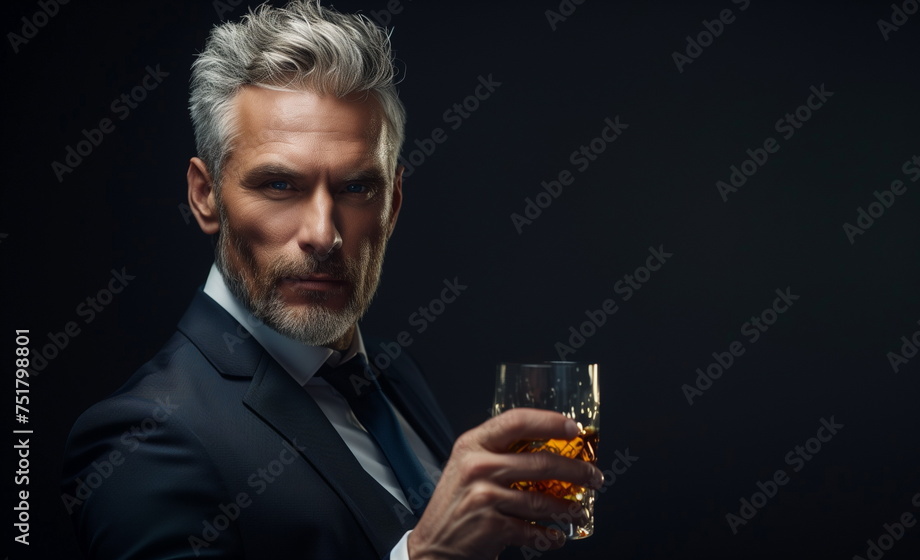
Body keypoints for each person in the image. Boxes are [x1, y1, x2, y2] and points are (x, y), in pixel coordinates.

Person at [60, 2, 603, 559]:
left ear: (393, 203)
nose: (323, 234)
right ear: (206, 196)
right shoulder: (142, 439)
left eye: (356, 189)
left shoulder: (390, 374)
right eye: (278, 185)